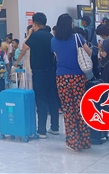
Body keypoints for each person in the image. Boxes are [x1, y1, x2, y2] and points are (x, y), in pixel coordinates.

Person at [51, 13, 91, 152]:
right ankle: (85, 140)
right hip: (78, 77)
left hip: (62, 78)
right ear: (70, 25)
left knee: (68, 109)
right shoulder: (77, 37)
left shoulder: (53, 41)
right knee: (80, 108)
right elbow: (88, 52)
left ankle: (73, 141)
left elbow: (57, 56)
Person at [16, 12, 60, 138]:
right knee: (52, 99)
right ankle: (55, 127)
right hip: (51, 71)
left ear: (34, 23)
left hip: (39, 72)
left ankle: (42, 130)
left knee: (41, 100)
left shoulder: (35, 36)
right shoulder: (50, 36)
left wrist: (30, 34)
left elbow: (24, 47)